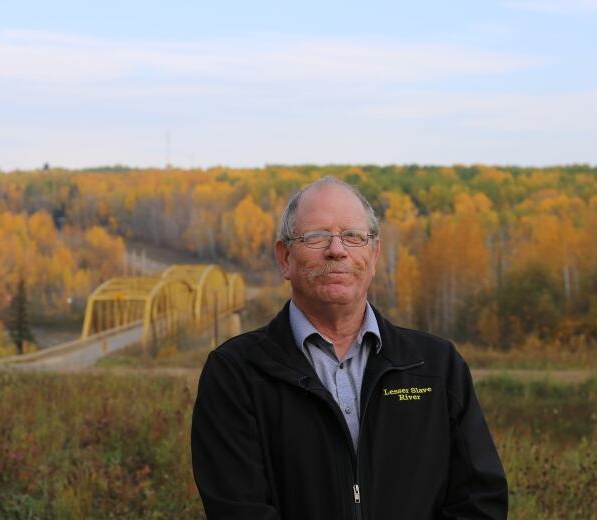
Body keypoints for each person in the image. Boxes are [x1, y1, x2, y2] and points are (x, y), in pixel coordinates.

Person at [191, 177, 508, 519]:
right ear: (285, 258)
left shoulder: (436, 365)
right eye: (315, 236)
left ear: (373, 255)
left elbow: (480, 502)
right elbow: (238, 511)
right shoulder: (235, 373)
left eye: (353, 237)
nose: (336, 249)